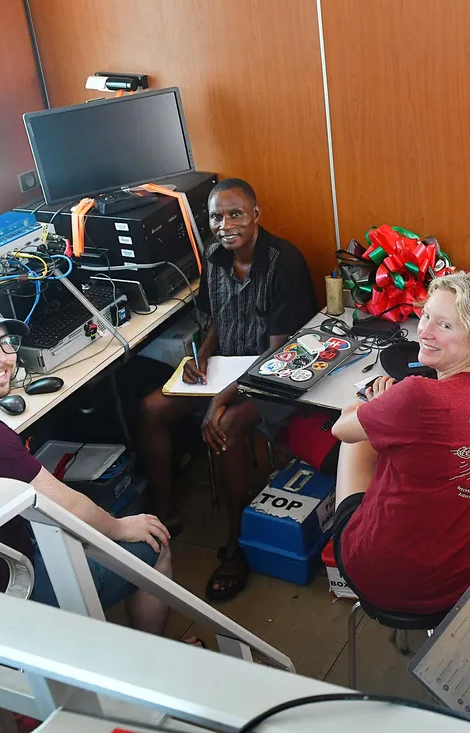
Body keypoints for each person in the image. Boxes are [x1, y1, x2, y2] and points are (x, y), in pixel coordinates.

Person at [0, 299, 173, 634]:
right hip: (11, 586)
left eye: (6, 342)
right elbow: (69, 505)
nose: (1, 357)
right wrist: (121, 529)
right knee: (153, 542)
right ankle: (155, 664)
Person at [138, 178, 317, 601]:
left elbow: (277, 354)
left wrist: (220, 400)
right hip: (225, 370)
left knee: (227, 426)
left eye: (235, 214)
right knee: (149, 409)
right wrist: (202, 355)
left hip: (274, 377)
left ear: (256, 215)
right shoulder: (215, 258)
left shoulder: (283, 262)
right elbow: (217, 317)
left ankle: (236, 546)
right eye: (216, 216)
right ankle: (165, 515)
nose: (224, 224)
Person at [329, 271, 470, 614]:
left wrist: (375, 406)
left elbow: (341, 428)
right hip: (466, 581)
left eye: (445, 326)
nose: (424, 332)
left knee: (357, 441)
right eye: (426, 315)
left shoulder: (415, 393)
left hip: (388, 582)